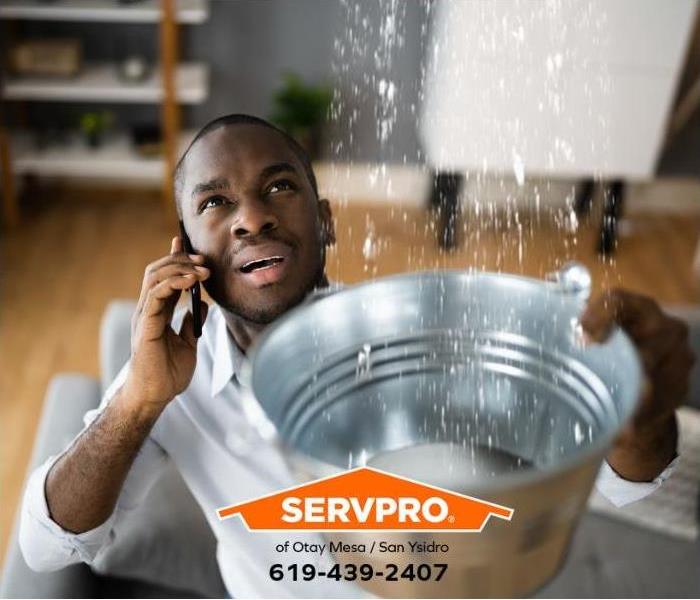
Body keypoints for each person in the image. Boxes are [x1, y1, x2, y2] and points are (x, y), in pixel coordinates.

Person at [19, 114, 695, 597]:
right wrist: (139, 400)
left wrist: (642, 407)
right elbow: (45, 547)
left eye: (280, 187)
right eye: (216, 202)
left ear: (328, 220)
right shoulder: (168, 383)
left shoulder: (415, 339)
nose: (251, 217)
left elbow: (622, 482)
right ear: (186, 249)